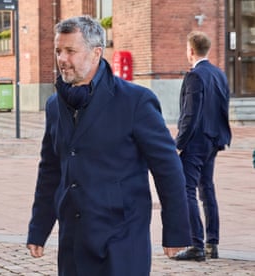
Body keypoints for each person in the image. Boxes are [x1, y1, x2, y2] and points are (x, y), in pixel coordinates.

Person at [26, 15, 192, 275]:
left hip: (122, 238)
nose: (61, 59)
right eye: (58, 51)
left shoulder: (136, 101)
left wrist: (176, 231)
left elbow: (168, 169)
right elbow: (50, 170)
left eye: (70, 51)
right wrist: (39, 228)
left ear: (96, 53)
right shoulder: (54, 105)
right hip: (73, 239)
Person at [173, 31, 232, 261]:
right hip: (214, 139)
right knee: (207, 189)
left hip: (196, 141)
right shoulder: (220, 74)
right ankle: (212, 243)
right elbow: (222, 108)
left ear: (190, 50)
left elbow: (190, 114)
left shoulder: (194, 76)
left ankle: (196, 245)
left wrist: (179, 144)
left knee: (187, 189)